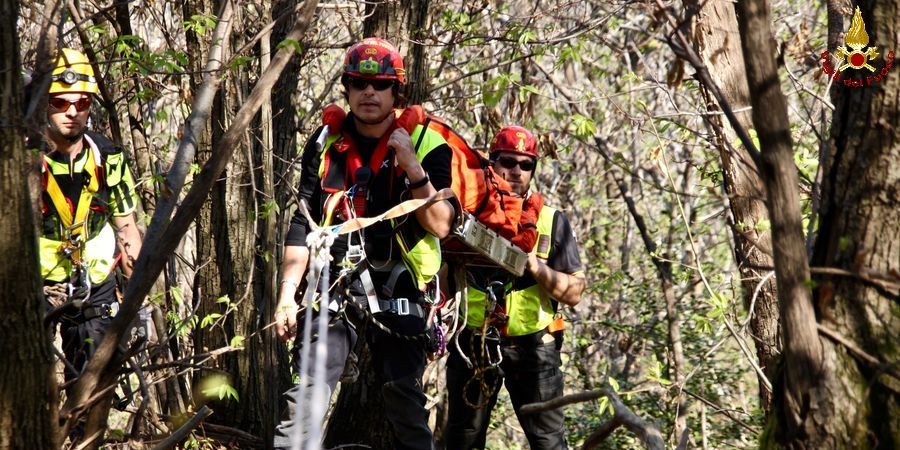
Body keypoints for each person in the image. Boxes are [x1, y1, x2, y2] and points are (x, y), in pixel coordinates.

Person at [273, 37, 455, 450]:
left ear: (397, 91)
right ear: (347, 88)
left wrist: (412, 167)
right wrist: (287, 296)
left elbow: (442, 225)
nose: (369, 92)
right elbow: (302, 224)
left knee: (405, 397)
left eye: (380, 84)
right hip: (334, 281)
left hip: (402, 283)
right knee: (307, 392)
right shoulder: (324, 143)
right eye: (358, 83)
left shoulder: (429, 143)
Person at [444, 125, 586, 449]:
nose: (516, 171)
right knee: (463, 440)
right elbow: (442, 275)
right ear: (491, 163)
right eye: (507, 162)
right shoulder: (468, 213)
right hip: (474, 342)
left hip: (534, 347)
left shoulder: (551, 221)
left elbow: (575, 292)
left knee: (549, 443)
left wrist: (534, 265)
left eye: (526, 165)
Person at [39, 48, 143, 382]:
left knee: (92, 382)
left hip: (94, 283)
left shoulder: (108, 156)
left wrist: (137, 297)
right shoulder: (21, 159)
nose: (72, 111)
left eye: (81, 102)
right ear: (43, 103)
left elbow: (126, 227)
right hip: (34, 283)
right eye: (60, 102)